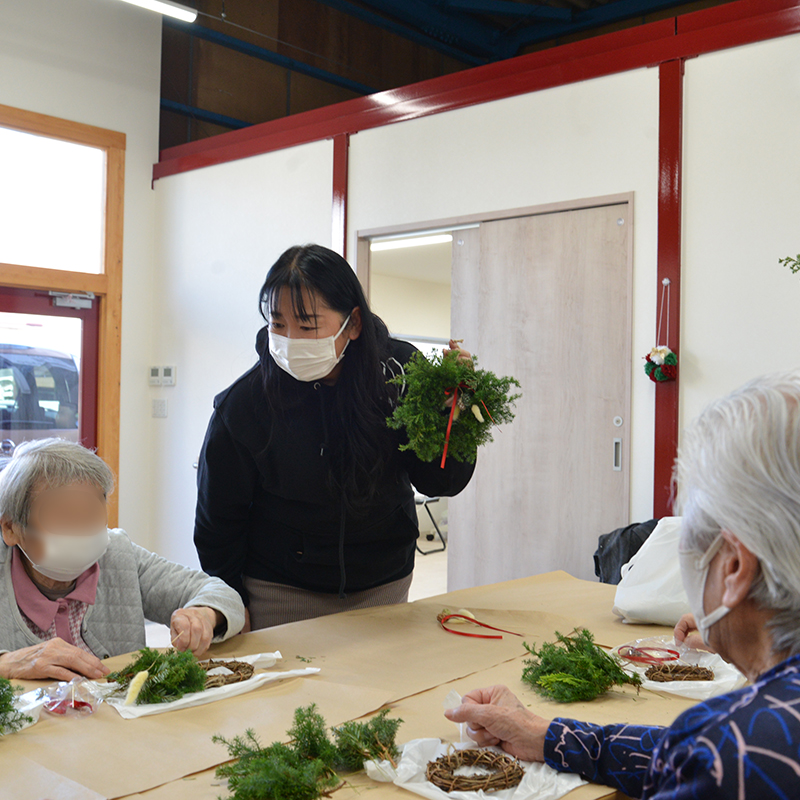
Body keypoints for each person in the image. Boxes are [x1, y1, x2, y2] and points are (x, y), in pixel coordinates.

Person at [445, 370, 800, 798]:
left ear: (735, 569)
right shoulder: (736, 740)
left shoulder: (740, 755)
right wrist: (547, 735)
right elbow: (683, 754)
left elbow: (708, 758)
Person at [194, 244, 475, 630]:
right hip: (279, 594)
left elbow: (442, 479)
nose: (291, 339)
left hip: (384, 586)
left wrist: (452, 418)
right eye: (278, 323)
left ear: (353, 324)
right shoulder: (246, 405)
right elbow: (218, 520)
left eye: (308, 325)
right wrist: (230, 598)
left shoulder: (400, 376)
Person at [0, 439, 245, 681]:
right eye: (62, 516)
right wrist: (7, 664)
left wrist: (203, 614)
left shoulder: (118, 554)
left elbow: (220, 592)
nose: (80, 530)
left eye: (89, 513)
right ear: (10, 528)